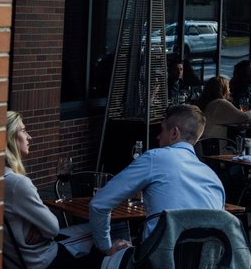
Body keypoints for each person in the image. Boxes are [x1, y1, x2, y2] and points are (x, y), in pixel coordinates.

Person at [90, 105, 225, 256]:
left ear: (174, 133)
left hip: (156, 261)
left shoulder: (156, 158)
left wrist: (106, 247)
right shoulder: (214, 178)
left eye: (161, 130)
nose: (158, 137)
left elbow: (99, 204)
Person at [4, 112, 99, 269]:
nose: (29, 137)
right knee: (104, 236)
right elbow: (53, 228)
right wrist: (40, 227)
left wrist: (35, 226)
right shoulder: (17, 184)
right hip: (45, 260)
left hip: (20, 260)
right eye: (23, 130)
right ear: (10, 138)